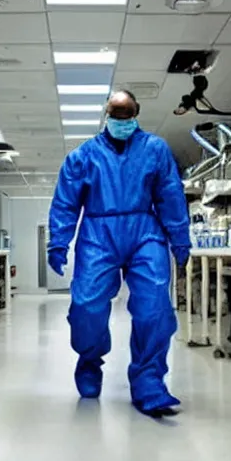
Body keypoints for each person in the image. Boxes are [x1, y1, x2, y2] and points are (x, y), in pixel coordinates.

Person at [47, 90, 190, 417]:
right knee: (86, 305)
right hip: (98, 233)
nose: (121, 121)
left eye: (127, 116)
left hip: (145, 231)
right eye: (116, 115)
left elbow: (170, 195)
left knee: (154, 306)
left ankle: (149, 380)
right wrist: (58, 242)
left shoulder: (155, 150)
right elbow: (66, 203)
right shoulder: (83, 156)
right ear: (106, 115)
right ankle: (89, 358)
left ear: (136, 114)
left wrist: (179, 239)